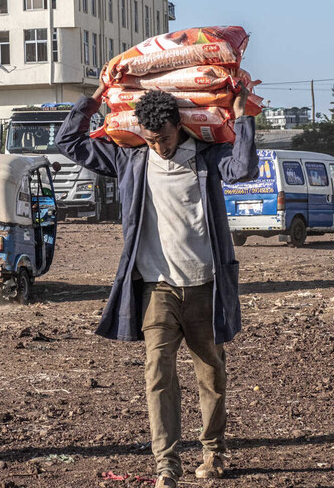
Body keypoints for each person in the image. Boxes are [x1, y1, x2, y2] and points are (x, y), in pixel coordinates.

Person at [56, 82, 259, 488]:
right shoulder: (129, 159)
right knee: (158, 376)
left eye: (164, 138)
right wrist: (93, 99)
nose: (159, 147)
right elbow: (68, 142)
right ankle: (166, 464)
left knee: (211, 374)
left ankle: (213, 452)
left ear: (178, 126)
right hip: (156, 290)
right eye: (151, 139)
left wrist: (243, 116)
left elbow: (244, 168)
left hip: (205, 285)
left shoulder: (206, 157)